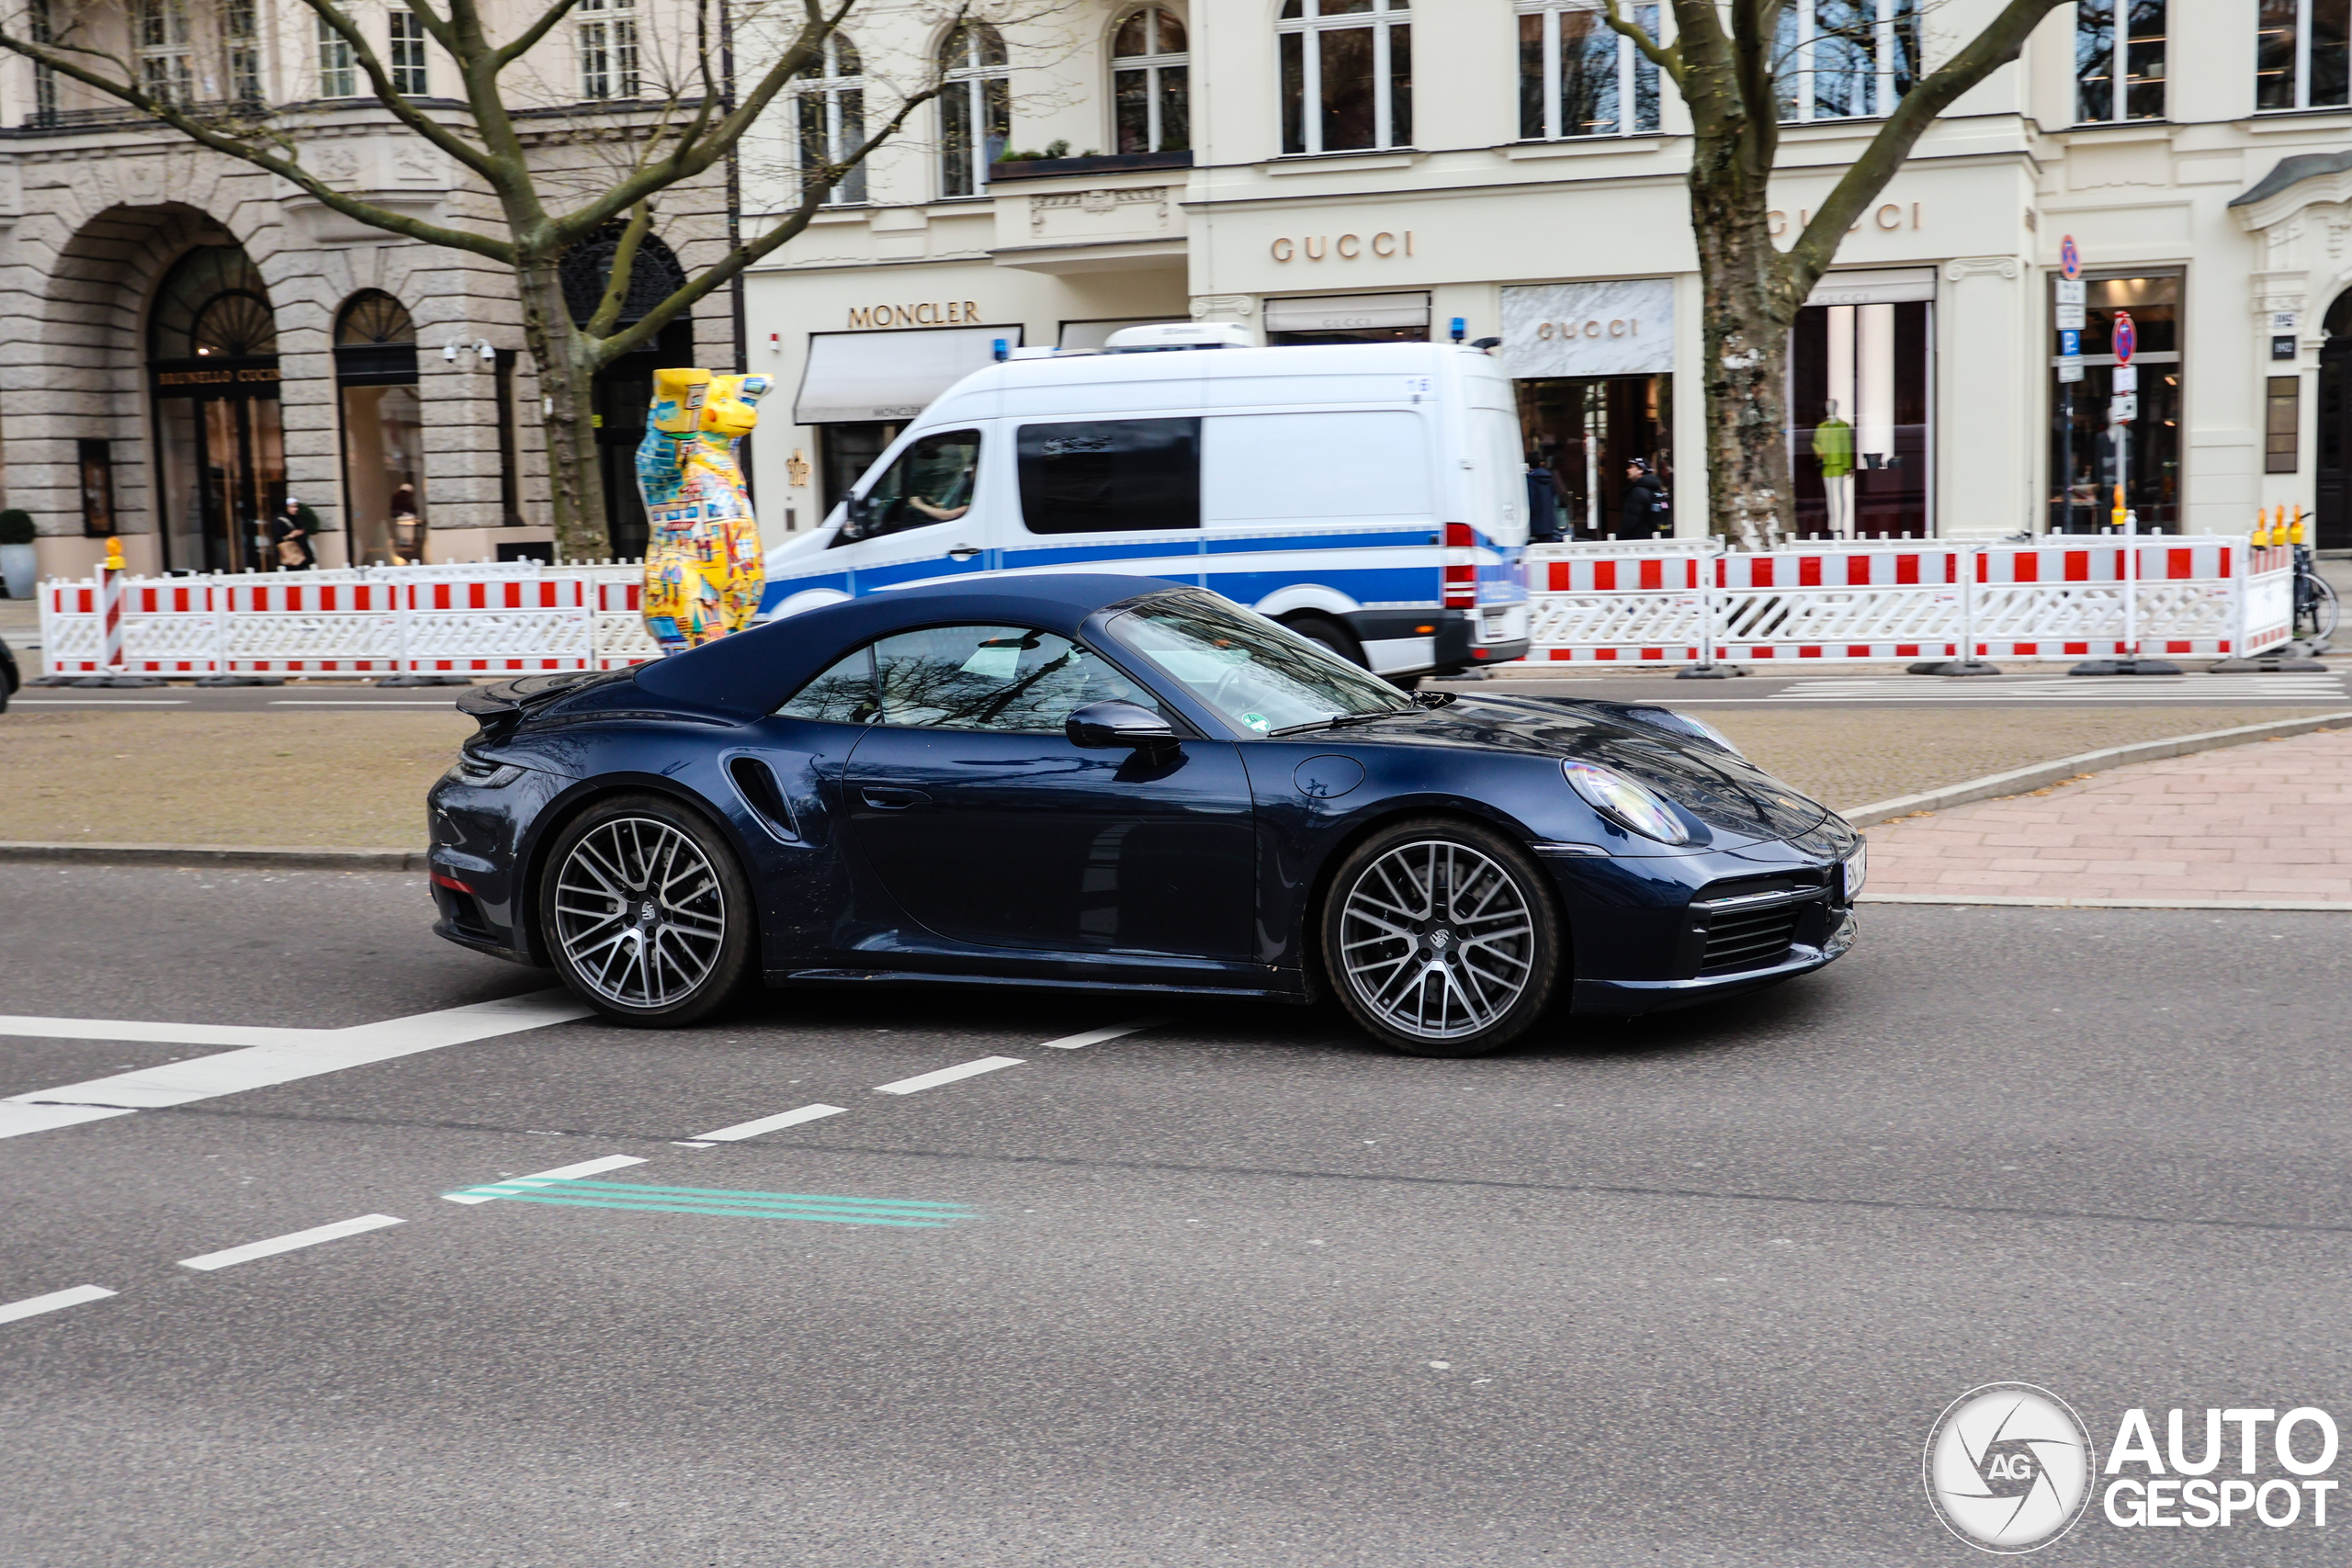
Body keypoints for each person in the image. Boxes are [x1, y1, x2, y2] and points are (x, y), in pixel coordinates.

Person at [1619, 459, 1669, 540]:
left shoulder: (1638, 492)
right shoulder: (1656, 489)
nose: (1628, 470)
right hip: (1654, 538)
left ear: (1641, 470)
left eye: (1632, 467)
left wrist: (1617, 537)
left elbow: (1631, 521)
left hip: (1638, 539)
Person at [268, 495, 319, 570]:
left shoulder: (295, 520)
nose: (296, 509)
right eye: (292, 507)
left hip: (302, 557)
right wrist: (291, 536)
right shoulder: (280, 521)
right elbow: (277, 539)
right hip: (291, 559)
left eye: (296, 507)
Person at [1523, 453, 1566, 543]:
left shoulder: (1530, 479)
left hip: (1535, 524)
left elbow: (1531, 502)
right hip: (1549, 522)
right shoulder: (1550, 477)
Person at [388, 483, 424, 564]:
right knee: (407, 531)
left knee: (402, 531)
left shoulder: (396, 496)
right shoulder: (406, 497)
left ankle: (404, 542)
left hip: (399, 518)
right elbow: (411, 507)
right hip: (407, 518)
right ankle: (407, 542)